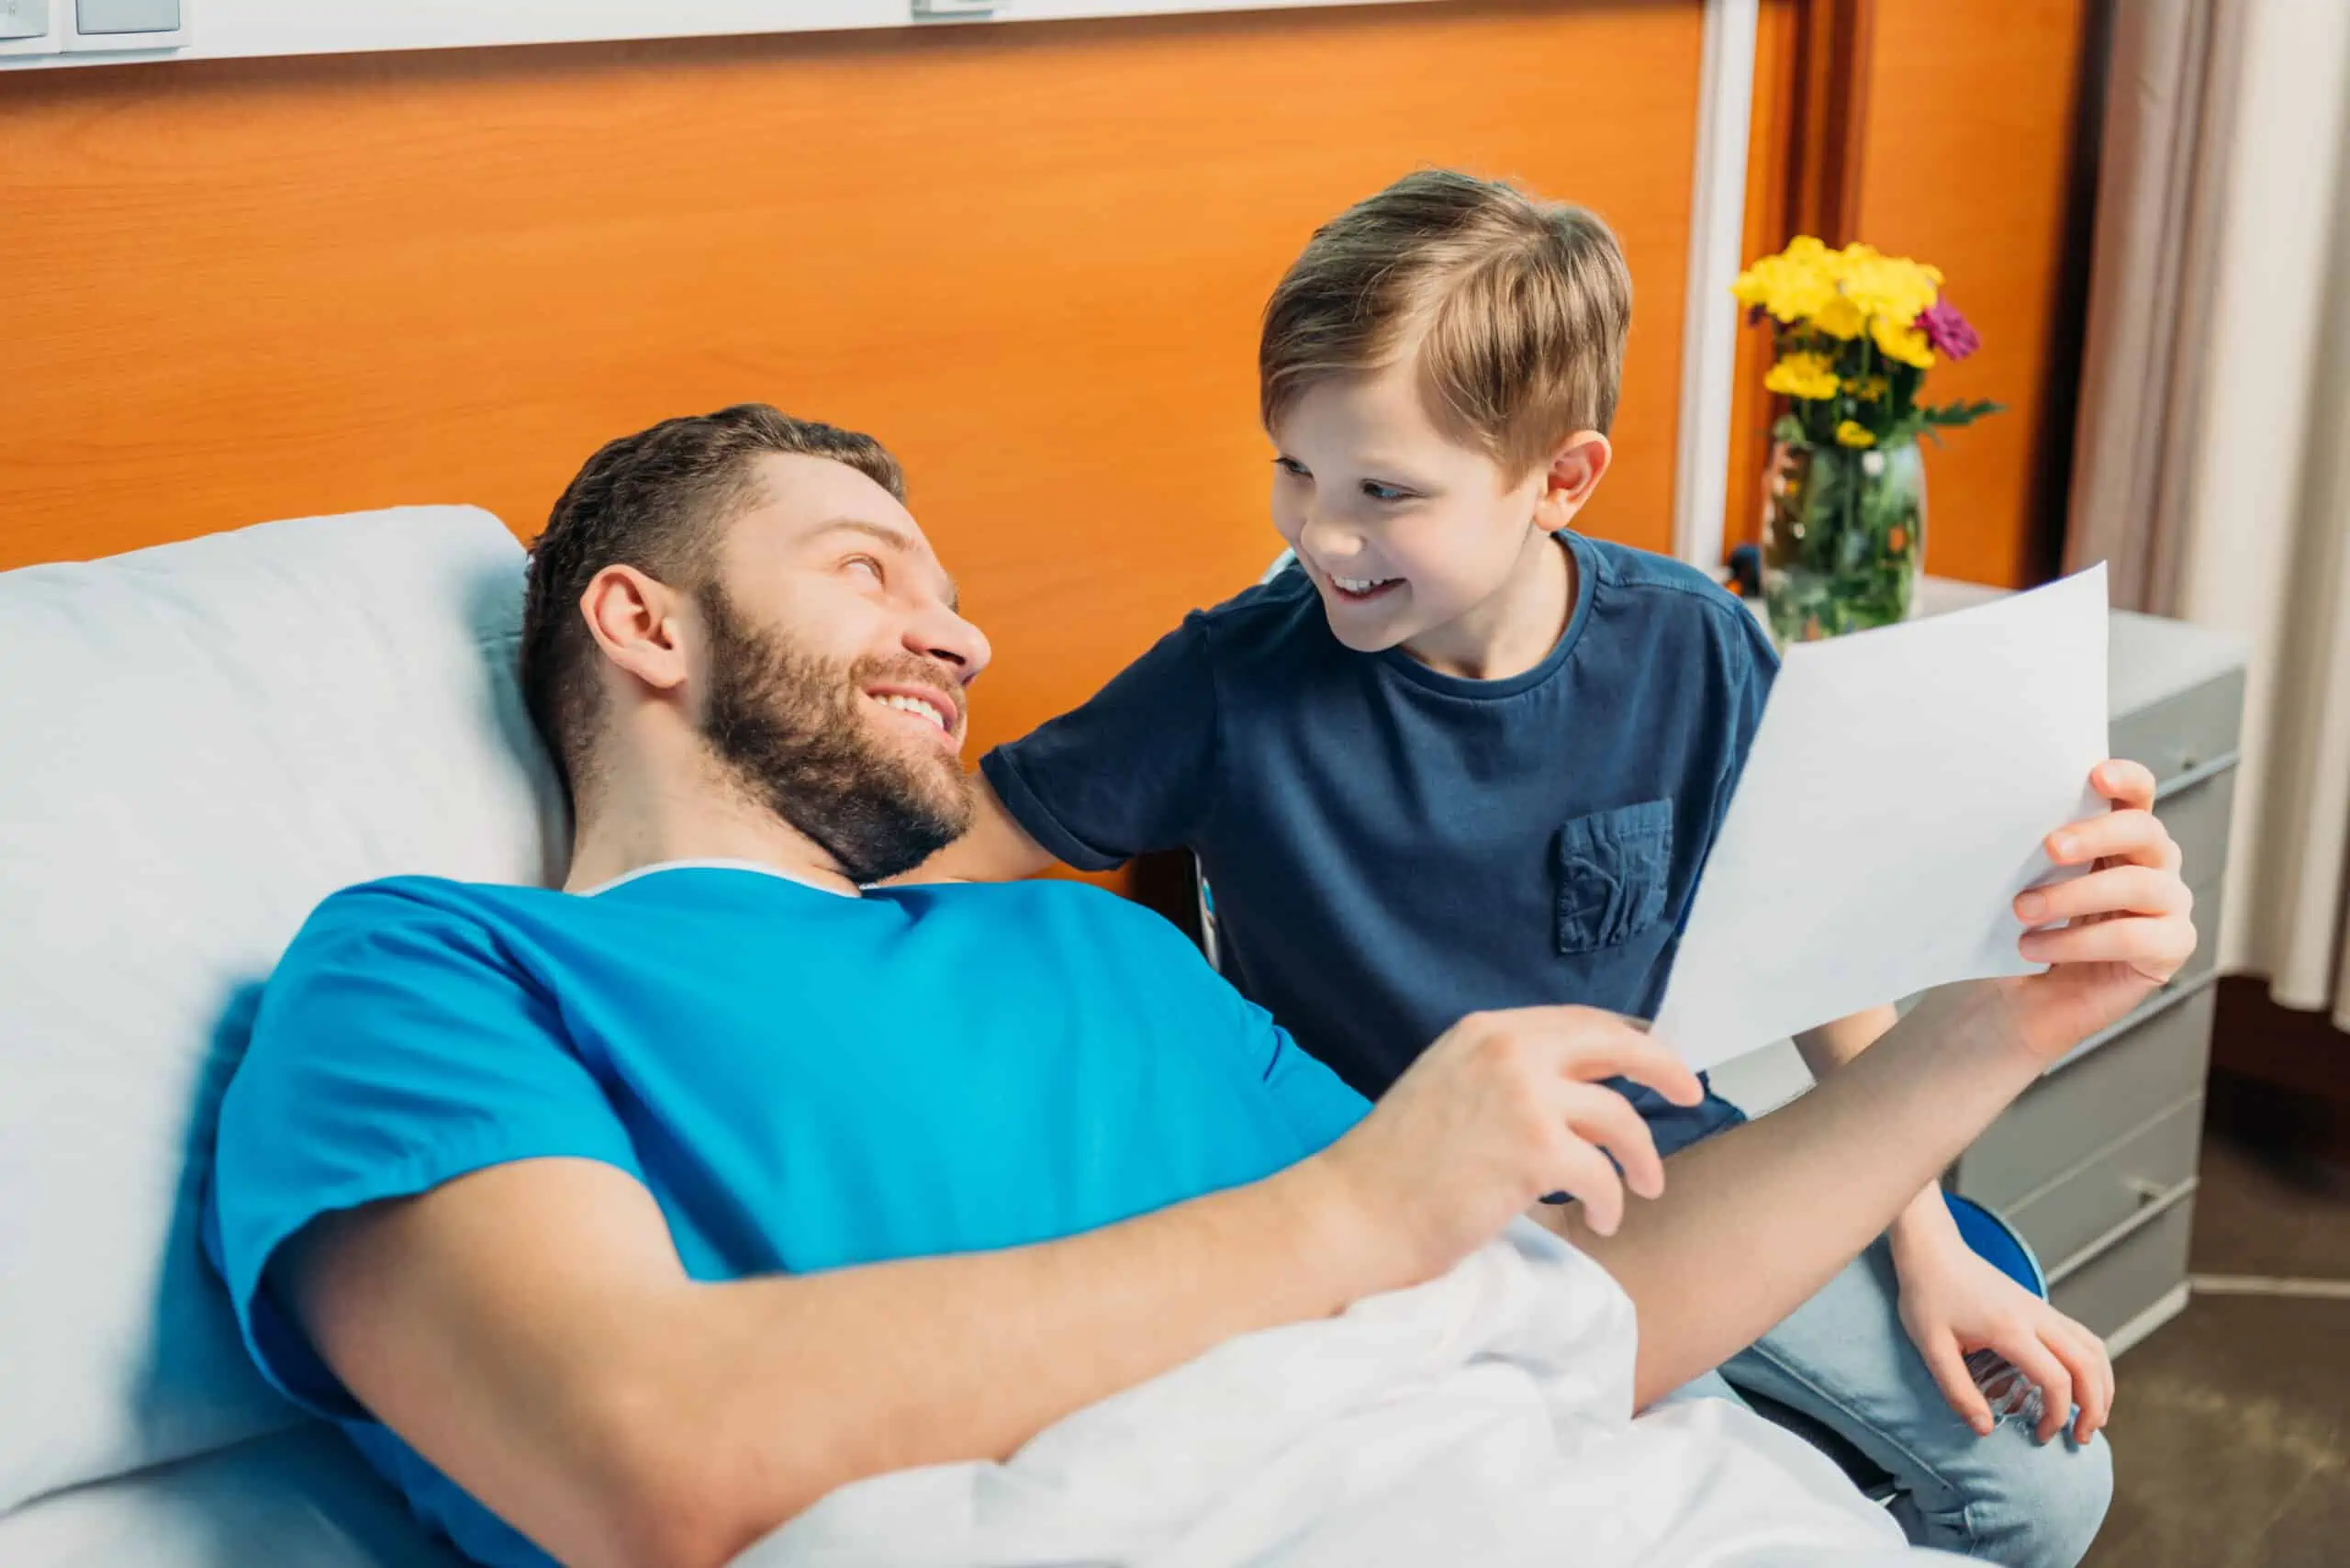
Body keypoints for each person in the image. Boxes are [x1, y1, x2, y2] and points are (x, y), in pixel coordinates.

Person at [204, 405, 2194, 1568]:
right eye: (865, 569)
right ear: (642, 620)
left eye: (943, 583)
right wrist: (1348, 1205)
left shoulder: (1082, 942)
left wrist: (1974, 1033)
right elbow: (624, 1439)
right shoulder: (430, 966)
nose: (956, 625)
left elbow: (1575, 1320)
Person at [920, 170, 2121, 1565]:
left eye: (1385, 492)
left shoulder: (1693, 649)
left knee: (2045, 1492)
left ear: (1560, 480)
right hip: (1402, 1225)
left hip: (1680, 1188)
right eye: (1295, 468)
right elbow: (966, 844)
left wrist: (1927, 1242)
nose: (1319, 533)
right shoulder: (1230, 681)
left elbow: (1826, 969)